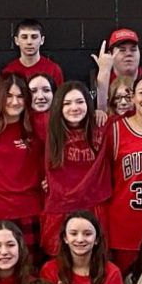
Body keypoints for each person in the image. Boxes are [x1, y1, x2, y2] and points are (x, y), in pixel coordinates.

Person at [0, 74, 45, 252]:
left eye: (20, 96)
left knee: (28, 273)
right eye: (8, 96)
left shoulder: (37, 124)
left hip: (28, 212)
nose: (14, 102)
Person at [41, 82, 111, 257]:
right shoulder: (47, 128)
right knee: (60, 267)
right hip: (60, 208)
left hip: (94, 205)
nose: (74, 107)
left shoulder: (101, 126)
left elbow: (134, 115)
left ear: (88, 103)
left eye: (80, 102)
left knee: (96, 262)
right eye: (67, 103)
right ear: (58, 107)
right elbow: (13, 114)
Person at [40, 211, 121, 284]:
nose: (80, 239)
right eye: (73, 233)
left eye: (87, 234)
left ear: (97, 239)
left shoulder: (112, 272)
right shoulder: (49, 269)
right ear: (65, 238)